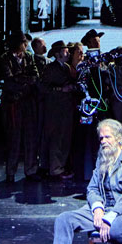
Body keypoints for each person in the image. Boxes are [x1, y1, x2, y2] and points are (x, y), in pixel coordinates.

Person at [0, 30, 40, 183]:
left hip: (28, 102)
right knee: (14, 138)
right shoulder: (4, 58)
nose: (26, 45)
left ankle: (31, 170)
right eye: (24, 42)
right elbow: (8, 80)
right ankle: (11, 172)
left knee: (30, 137)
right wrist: (25, 81)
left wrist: (21, 81)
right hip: (13, 103)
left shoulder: (29, 57)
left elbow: (35, 77)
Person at [41, 40, 76, 179]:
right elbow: (43, 87)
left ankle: (60, 166)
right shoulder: (50, 69)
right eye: (65, 51)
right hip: (55, 109)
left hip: (66, 109)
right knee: (56, 138)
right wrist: (61, 89)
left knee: (65, 138)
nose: (68, 53)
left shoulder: (66, 67)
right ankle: (55, 168)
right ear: (57, 54)